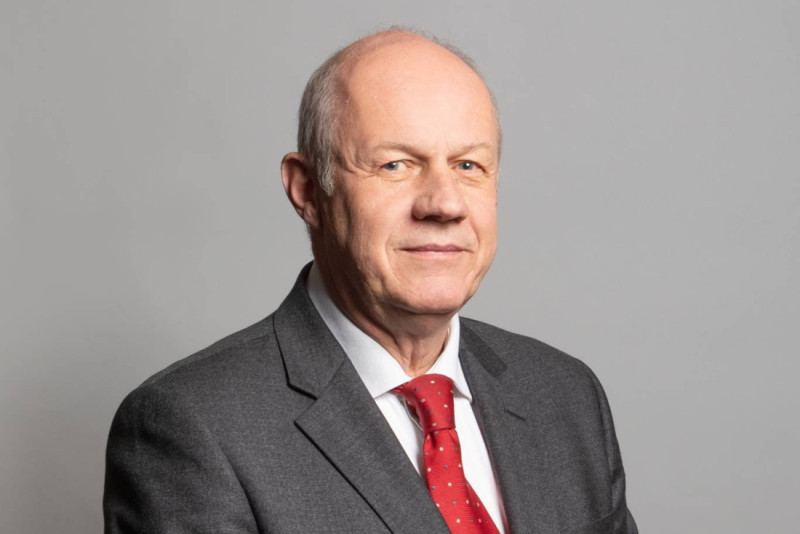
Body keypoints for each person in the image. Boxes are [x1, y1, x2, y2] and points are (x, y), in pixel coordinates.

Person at [103, 29, 638, 534]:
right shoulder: (193, 427)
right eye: (396, 165)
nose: (445, 204)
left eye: (469, 166)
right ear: (308, 191)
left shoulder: (565, 395)